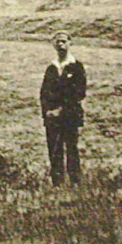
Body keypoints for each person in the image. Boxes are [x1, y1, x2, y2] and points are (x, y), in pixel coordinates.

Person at [39, 31, 87, 186]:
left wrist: (61, 109)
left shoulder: (76, 67)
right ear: (53, 45)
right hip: (52, 118)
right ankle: (57, 184)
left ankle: (75, 182)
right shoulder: (51, 69)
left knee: (72, 149)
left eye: (63, 41)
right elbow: (44, 93)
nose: (60, 45)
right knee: (54, 151)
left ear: (70, 43)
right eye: (57, 42)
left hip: (70, 116)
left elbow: (79, 92)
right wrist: (47, 112)